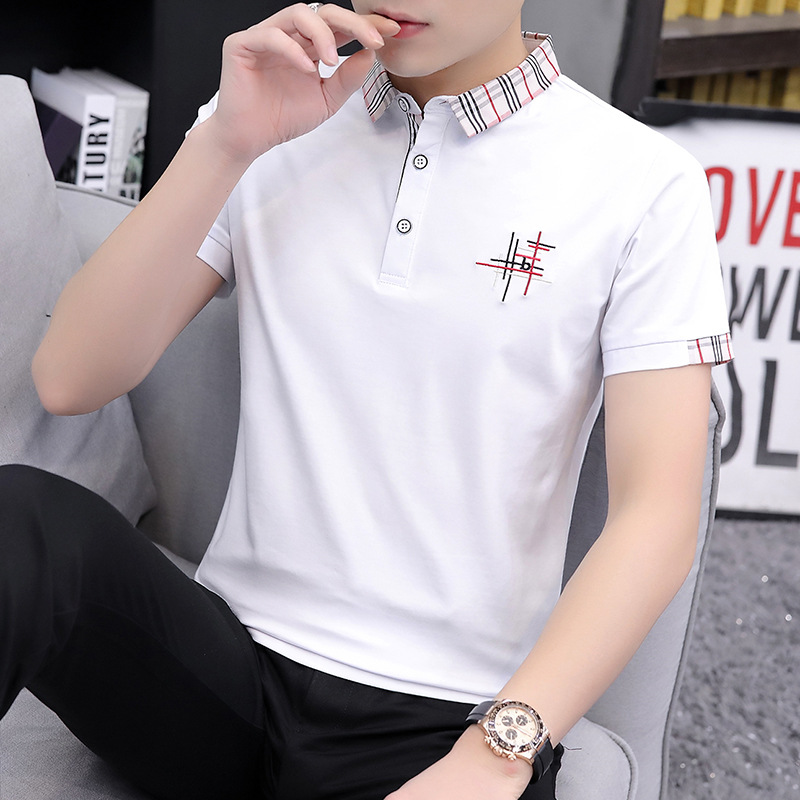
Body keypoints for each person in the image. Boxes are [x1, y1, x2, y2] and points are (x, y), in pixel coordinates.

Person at [1, 2, 732, 799]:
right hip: (224, 676)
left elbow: (656, 517)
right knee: (23, 519)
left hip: (441, 724)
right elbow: (69, 378)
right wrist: (225, 143)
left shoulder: (644, 183)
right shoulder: (267, 119)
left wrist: (497, 754)